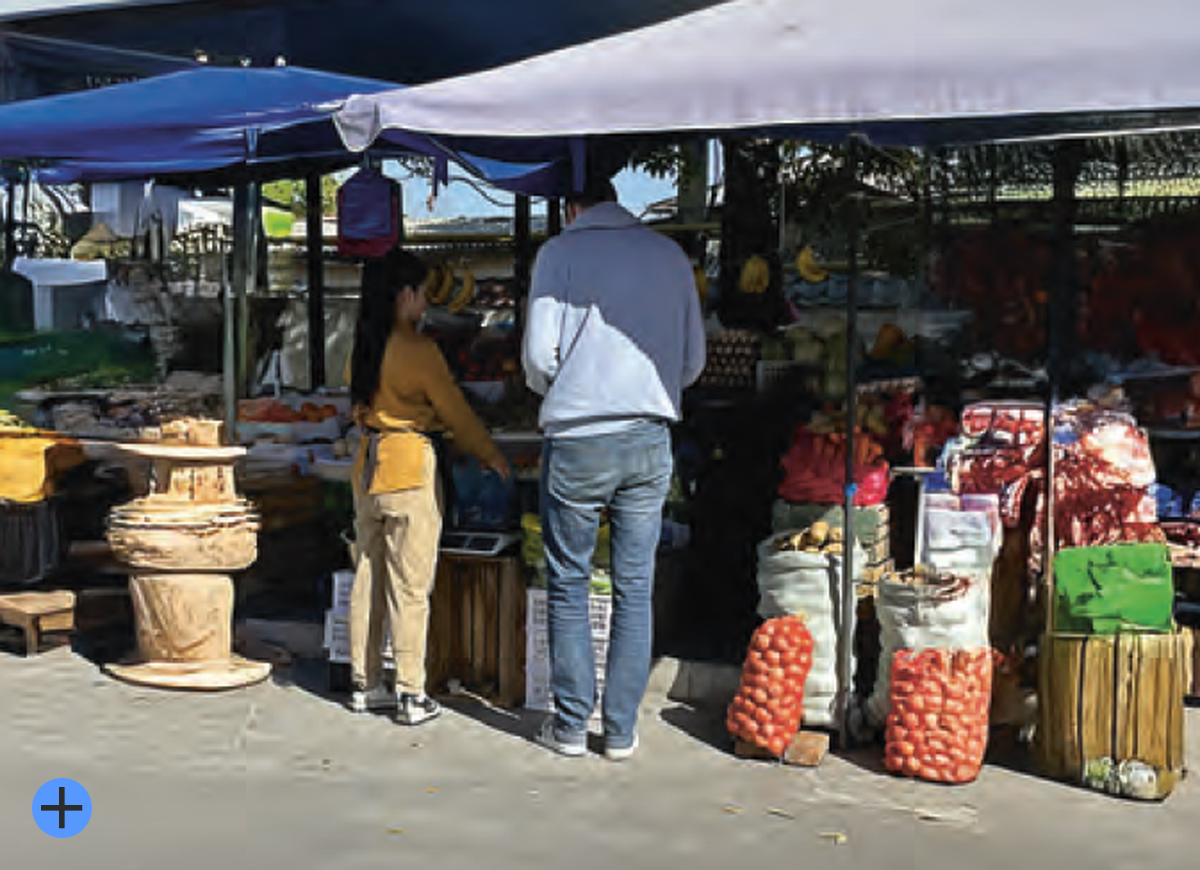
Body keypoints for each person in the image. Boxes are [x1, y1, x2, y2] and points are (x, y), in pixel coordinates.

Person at [522, 175, 706, 760]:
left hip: (578, 439)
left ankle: (572, 727)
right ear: (615, 198)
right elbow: (694, 360)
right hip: (650, 436)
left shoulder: (559, 253)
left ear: (572, 207)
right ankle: (621, 732)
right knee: (635, 586)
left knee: (570, 580)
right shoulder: (669, 255)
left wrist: (570, 389)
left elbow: (535, 357)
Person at [348, 247, 510, 726]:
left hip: (368, 464)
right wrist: (492, 456)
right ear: (405, 295)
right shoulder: (419, 350)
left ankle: (365, 682)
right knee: (411, 585)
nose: (425, 303)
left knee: (368, 576)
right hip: (407, 465)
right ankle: (411, 693)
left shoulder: (363, 345)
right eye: (421, 293)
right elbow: (456, 413)